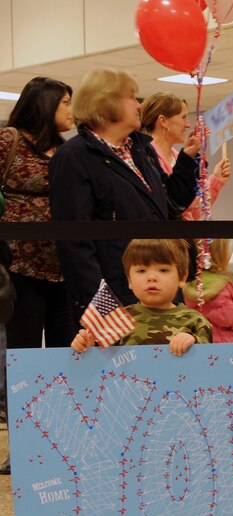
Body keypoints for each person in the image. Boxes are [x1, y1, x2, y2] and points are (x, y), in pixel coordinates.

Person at [71, 238, 212, 516]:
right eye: (142, 271)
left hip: (174, 432)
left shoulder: (193, 319)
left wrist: (192, 339)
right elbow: (95, 362)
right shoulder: (119, 320)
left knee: (171, 494)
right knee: (124, 494)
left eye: (163, 270)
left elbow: (213, 367)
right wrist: (84, 342)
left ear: (182, 278)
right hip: (124, 429)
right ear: (129, 280)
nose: (152, 278)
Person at [49, 68, 200, 312]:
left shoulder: (142, 150)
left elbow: (172, 204)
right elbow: (75, 245)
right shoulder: (74, 157)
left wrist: (187, 160)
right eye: (130, 97)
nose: (138, 105)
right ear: (105, 103)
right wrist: (103, 308)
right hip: (119, 296)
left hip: (162, 290)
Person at [0, 77, 77, 475]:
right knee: (24, 362)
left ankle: (61, 444)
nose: (71, 111)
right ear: (45, 104)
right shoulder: (8, 141)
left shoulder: (67, 150)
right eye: (65, 102)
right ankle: (24, 447)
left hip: (65, 269)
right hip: (20, 270)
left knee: (67, 360)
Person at [139, 92, 231, 222]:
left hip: (185, 238)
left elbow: (195, 209)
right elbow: (172, 207)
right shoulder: (145, 158)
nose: (188, 125)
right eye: (183, 118)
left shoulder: (179, 158)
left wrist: (217, 181)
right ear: (163, 121)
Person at [183, 238, 233, 342]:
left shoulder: (192, 282)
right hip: (222, 343)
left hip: (200, 340)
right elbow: (229, 314)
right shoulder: (219, 285)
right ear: (222, 256)